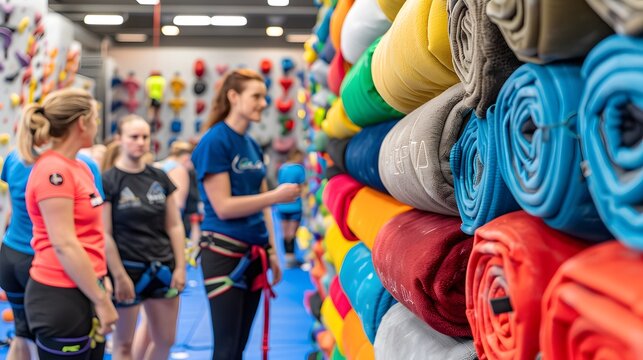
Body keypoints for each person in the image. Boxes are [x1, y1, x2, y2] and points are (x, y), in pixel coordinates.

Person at [191, 69, 301, 360]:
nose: (263, 103)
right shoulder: (215, 142)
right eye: (257, 96)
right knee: (226, 349)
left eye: (265, 96)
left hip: (254, 255)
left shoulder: (251, 144)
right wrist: (277, 196)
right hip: (224, 258)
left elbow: (262, 204)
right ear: (233, 97)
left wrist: (273, 252)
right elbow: (224, 207)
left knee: (239, 345)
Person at [17, 88, 118, 359]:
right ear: (82, 123)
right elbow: (64, 244)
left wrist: (100, 279)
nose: (97, 125)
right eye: (95, 118)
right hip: (59, 293)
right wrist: (102, 299)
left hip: (85, 285)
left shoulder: (80, 167)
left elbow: (88, 235)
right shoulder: (53, 171)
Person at [0, 147, 104, 360]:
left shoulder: (14, 156)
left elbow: (15, 204)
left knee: (23, 336)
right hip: (49, 262)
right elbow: (92, 221)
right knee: (50, 343)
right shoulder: (80, 163)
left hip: (12, 255)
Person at [101, 115, 186, 360]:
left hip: (162, 267)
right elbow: (104, 233)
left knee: (165, 340)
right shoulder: (109, 181)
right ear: (119, 139)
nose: (140, 142)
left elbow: (174, 225)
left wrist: (180, 267)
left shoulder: (159, 178)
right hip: (127, 269)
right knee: (123, 345)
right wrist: (118, 275)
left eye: (145, 137)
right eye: (134, 137)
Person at [275, 148, 306, 268]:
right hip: (295, 205)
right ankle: (291, 257)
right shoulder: (299, 169)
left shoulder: (282, 168)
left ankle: (287, 258)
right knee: (292, 233)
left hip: (281, 204)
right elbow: (302, 187)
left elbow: (280, 183)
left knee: (284, 232)